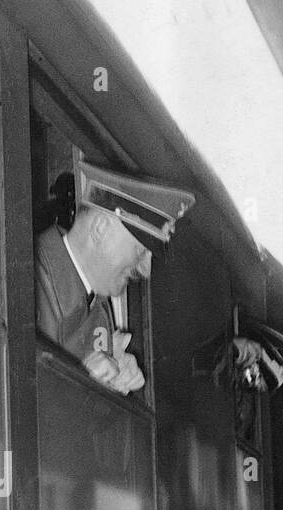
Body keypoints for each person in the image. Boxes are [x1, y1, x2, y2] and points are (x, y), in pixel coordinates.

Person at [36, 161, 194, 392]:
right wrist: (80, 378)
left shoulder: (98, 308)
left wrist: (114, 384)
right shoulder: (26, 280)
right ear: (100, 228)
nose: (146, 270)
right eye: (141, 250)